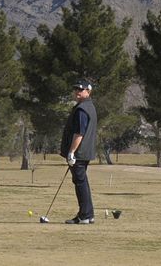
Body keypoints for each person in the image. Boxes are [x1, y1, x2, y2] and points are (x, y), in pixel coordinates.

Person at [60, 78, 98, 224]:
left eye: (80, 90)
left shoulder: (82, 109)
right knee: (82, 182)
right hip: (83, 152)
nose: (77, 92)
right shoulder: (89, 106)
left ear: (88, 91)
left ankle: (85, 215)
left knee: (80, 182)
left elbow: (79, 133)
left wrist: (71, 152)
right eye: (76, 89)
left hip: (79, 153)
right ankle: (87, 214)